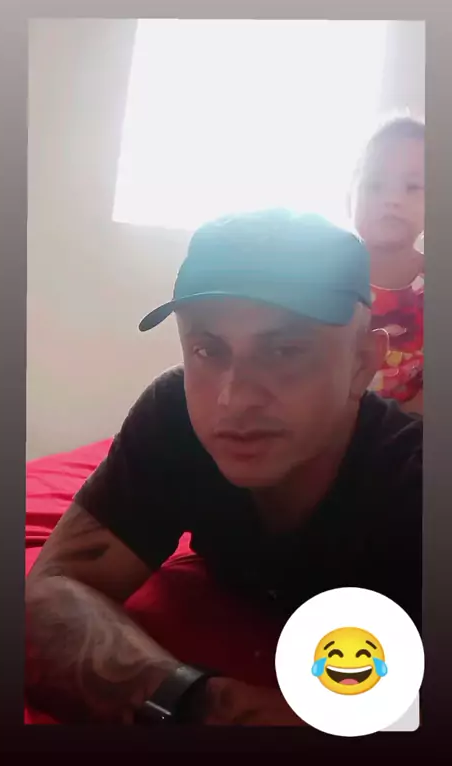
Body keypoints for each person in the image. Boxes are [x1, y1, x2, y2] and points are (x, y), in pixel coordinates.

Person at [25, 209, 422, 726]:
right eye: (207, 349)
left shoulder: (415, 484)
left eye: (285, 351)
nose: (233, 400)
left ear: (362, 363)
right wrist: (204, 705)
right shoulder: (175, 415)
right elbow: (50, 593)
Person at [350, 116, 425, 415]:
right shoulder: (323, 274)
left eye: (412, 187)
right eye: (375, 185)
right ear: (349, 198)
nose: (392, 199)